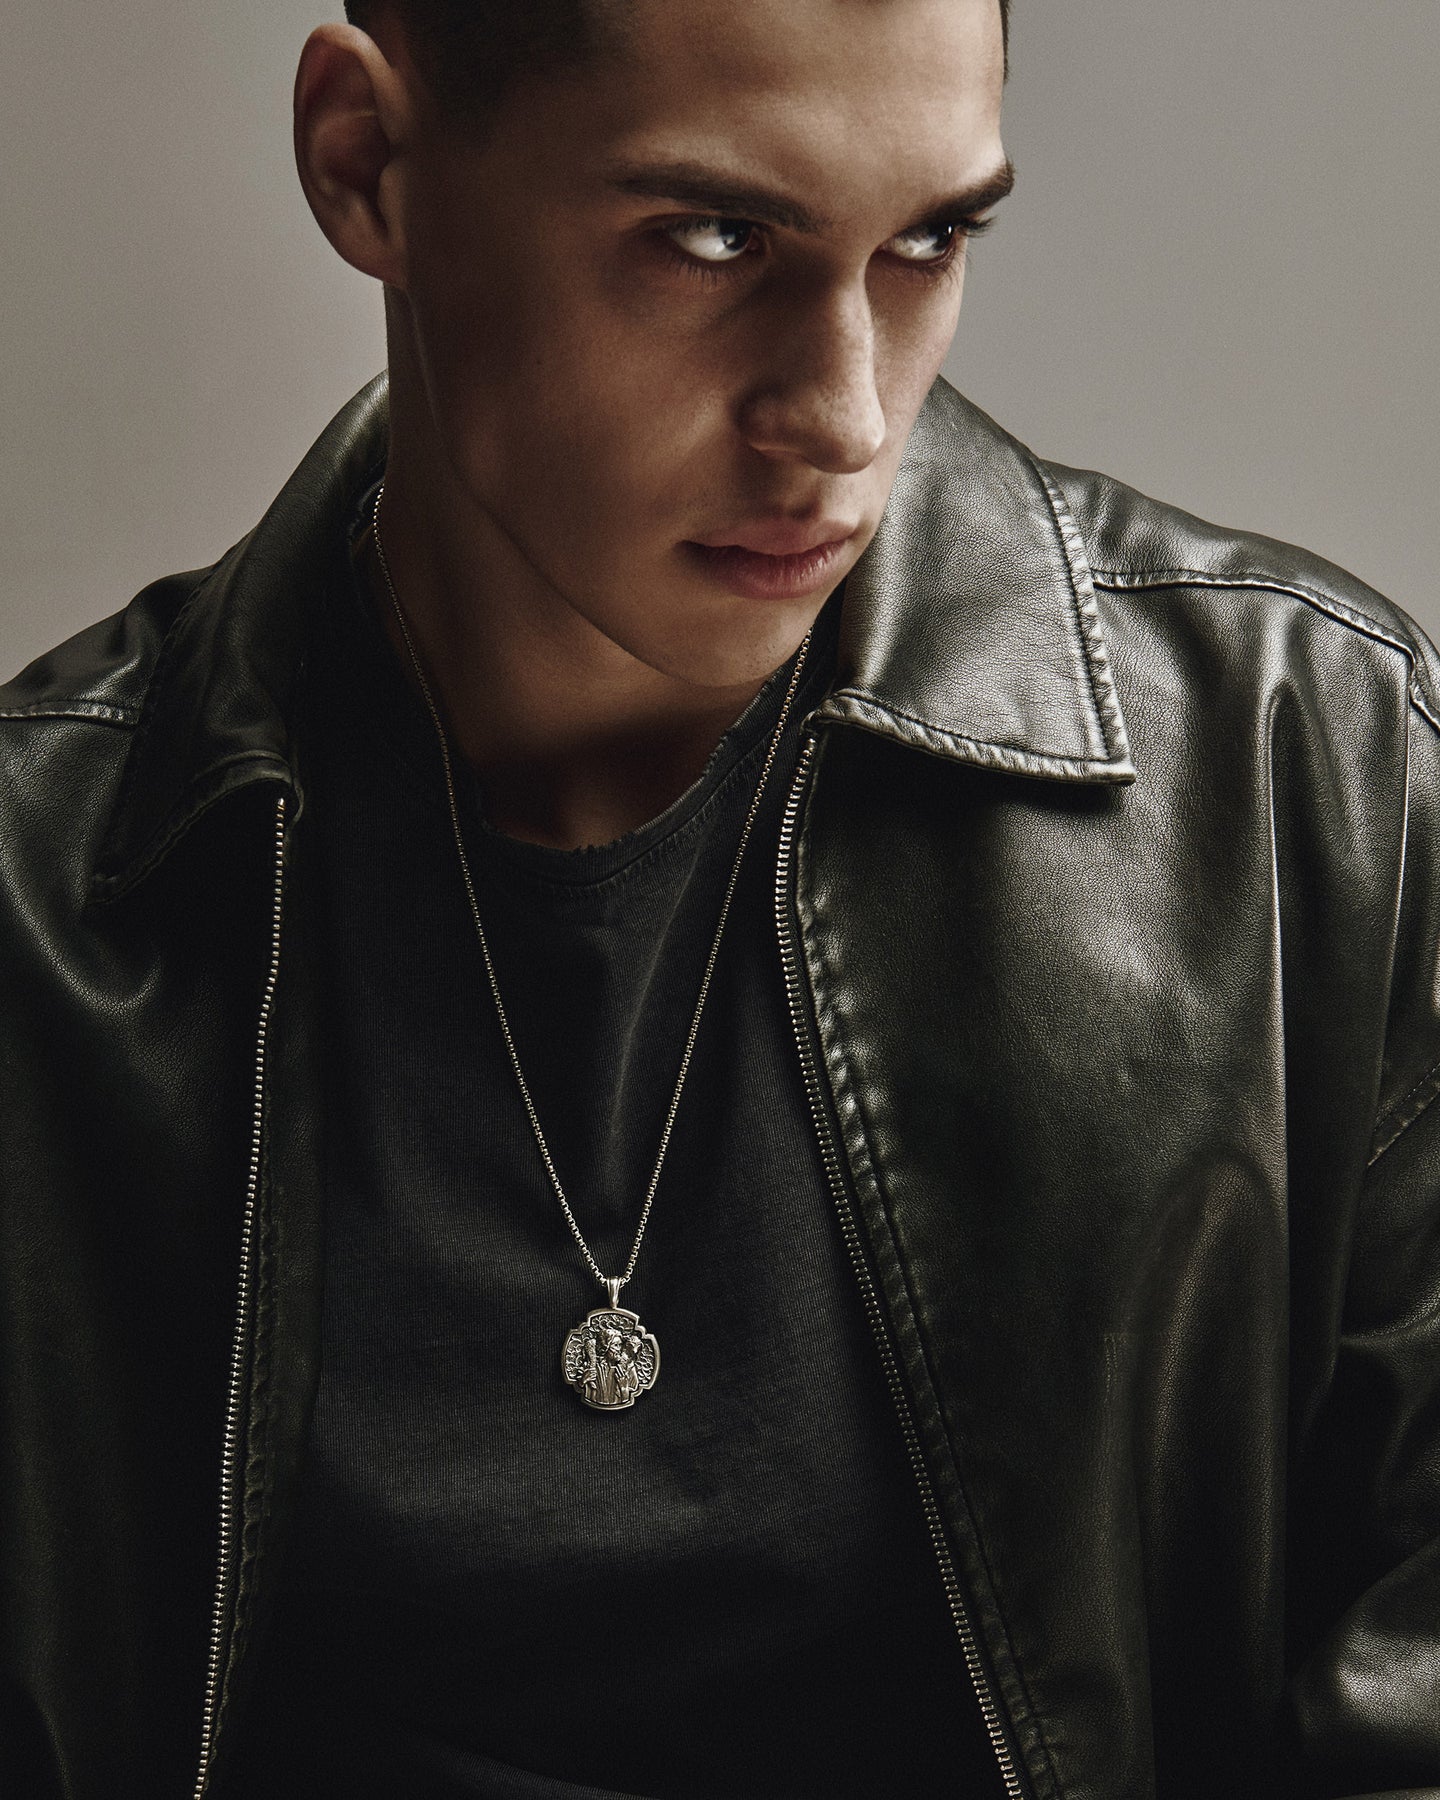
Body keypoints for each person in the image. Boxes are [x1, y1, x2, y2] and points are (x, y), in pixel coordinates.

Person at [1, 1, 1437, 1797]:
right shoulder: (42, 907)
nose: (843, 417)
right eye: (714, 238)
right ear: (367, 166)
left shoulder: (1311, 780)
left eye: (929, 241)